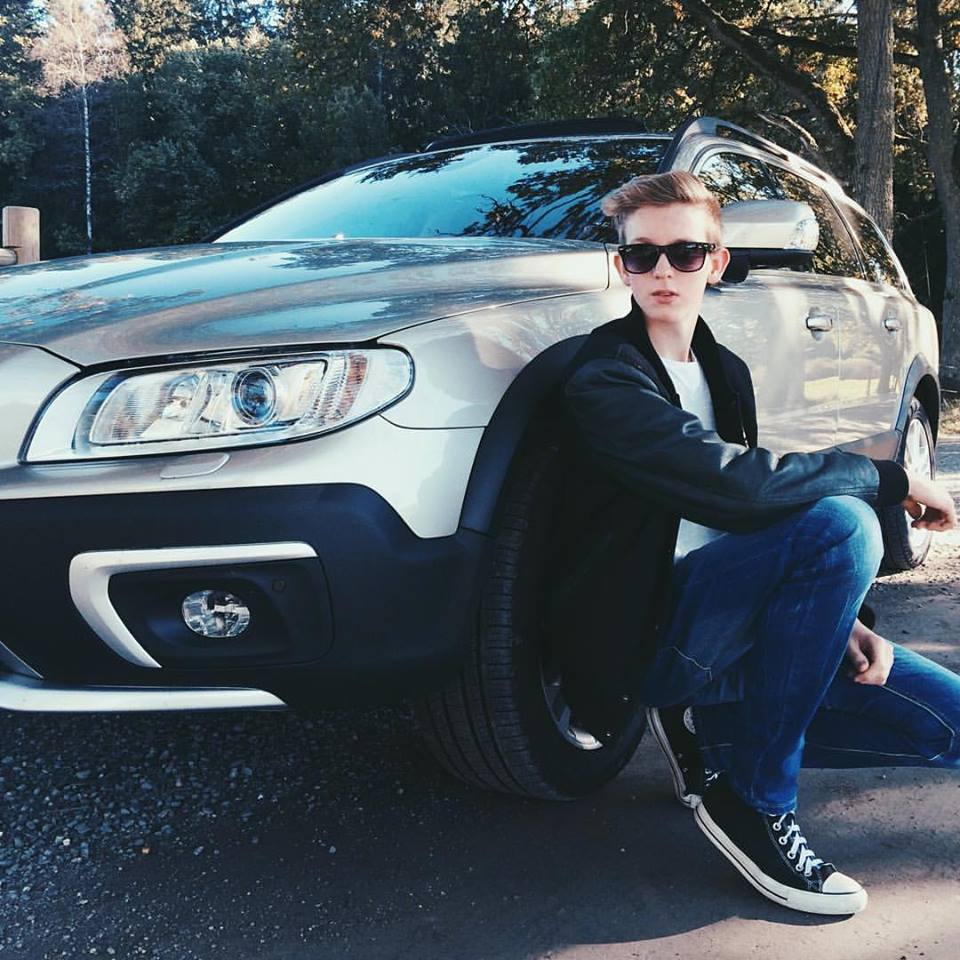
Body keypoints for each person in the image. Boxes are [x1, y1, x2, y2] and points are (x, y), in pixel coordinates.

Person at [549, 171, 958, 916]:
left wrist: (843, 618)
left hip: (738, 622)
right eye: (642, 255)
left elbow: (756, 519)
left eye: (684, 252)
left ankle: (714, 735)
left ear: (717, 262)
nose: (663, 271)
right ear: (621, 267)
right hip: (658, 634)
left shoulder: (724, 370)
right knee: (845, 522)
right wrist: (891, 478)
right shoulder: (603, 378)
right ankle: (756, 801)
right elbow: (737, 485)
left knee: (950, 723)